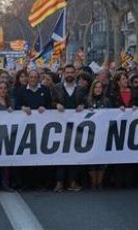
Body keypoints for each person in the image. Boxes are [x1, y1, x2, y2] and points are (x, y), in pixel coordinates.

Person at [52, 65, 86, 193]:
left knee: (73, 154)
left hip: (76, 127)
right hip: (60, 126)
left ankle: (72, 181)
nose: (69, 74)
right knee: (60, 154)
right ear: (64, 74)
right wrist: (56, 104)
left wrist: (83, 105)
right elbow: (51, 102)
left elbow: (85, 102)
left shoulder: (81, 89)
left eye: (72, 72)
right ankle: (59, 182)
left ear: (75, 73)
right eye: (67, 72)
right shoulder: (57, 88)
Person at [86, 80, 110, 190]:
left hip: (103, 133)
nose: (98, 89)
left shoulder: (106, 101)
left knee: (101, 157)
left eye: (100, 87)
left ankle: (99, 182)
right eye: (96, 87)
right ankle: (93, 182)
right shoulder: (88, 100)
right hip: (90, 133)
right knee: (91, 157)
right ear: (93, 88)